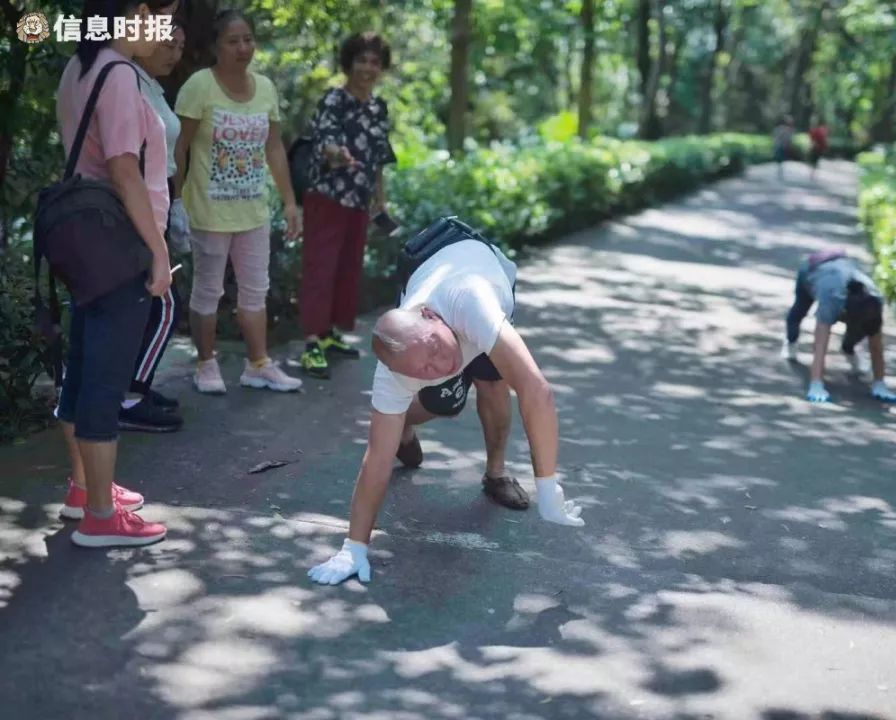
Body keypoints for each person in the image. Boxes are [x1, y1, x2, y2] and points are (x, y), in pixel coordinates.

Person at [308, 218, 586, 586]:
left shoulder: (472, 302)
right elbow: (376, 458)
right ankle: (402, 426)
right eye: (425, 368)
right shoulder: (397, 370)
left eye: (436, 350)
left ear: (429, 314)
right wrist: (353, 547)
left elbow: (537, 390)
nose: (443, 364)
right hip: (424, 279)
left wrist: (548, 488)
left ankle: (496, 473)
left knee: (493, 382)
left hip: (467, 265)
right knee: (445, 400)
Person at [54, 0, 180, 546]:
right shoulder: (122, 75)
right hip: (120, 244)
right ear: (139, 12)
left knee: (82, 366)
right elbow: (125, 169)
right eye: (165, 15)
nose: (169, 30)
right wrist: (156, 250)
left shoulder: (79, 66)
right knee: (106, 378)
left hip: (82, 239)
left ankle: (84, 490)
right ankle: (101, 518)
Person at [173, 9, 303, 394]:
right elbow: (179, 148)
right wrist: (176, 202)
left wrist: (290, 201)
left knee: (255, 289)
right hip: (209, 212)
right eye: (233, 41)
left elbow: (275, 146)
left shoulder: (265, 88)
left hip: (253, 211)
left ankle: (258, 364)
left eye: (248, 39)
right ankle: (206, 363)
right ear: (215, 47)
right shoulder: (199, 86)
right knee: (208, 290)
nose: (243, 48)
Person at [297, 32, 397, 379]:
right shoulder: (334, 100)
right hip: (327, 195)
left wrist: (379, 202)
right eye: (362, 60)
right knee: (320, 268)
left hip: (358, 199)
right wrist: (337, 154)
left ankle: (328, 334)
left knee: (346, 269)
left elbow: (380, 157)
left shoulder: (378, 107)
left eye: (374, 62)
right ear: (349, 64)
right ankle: (311, 342)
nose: (368, 68)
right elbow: (325, 141)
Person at [118, 21, 189, 433]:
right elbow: (128, 160)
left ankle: (136, 387)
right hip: (139, 206)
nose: (173, 52)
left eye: (180, 46)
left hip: (158, 203)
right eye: (167, 42)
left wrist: (176, 203)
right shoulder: (126, 81)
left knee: (151, 304)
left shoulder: (151, 85)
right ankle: (129, 394)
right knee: (163, 303)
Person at [781, 249, 896, 404]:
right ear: (843, 313)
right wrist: (816, 384)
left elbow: (876, 346)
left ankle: (848, 349)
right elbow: (820, 346)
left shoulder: (874, 303)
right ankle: (790, 341)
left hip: (842, 275)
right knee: (798, 313)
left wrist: (880, 384)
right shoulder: (831, 299)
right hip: (813, 270)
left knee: (858, 334)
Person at [773, 116, 795, 180]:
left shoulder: (781, 128)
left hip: (780, 145)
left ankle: (780, 169)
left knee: (780, 158)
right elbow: (788, 138)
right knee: (780, 158)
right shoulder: (783, 129)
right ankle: (780, 169)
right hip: (781, 145)